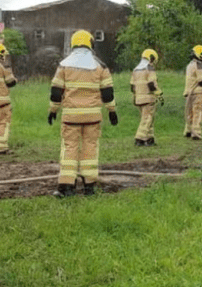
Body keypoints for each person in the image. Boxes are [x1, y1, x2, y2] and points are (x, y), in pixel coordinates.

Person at [48, 30, 118, 197]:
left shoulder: (64, 65)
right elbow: (107, 93)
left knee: (70, 149)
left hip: (71, 117)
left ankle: (66, 187)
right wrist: (112, 111)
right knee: (90, 149)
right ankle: (90, 187)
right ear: (90, 44)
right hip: (92, 117)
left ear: (73, 44)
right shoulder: (100, 66)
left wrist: (53, 110)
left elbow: (56, 92)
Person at [130, 48, 162, 146]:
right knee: (147, 119)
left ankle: (149, 139)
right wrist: (159, 93)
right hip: (148, 98)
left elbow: (132, 86)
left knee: (147, 119)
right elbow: (151, 84)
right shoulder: (149, 68)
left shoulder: (136, 69)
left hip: (138, 99)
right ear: (151, 58)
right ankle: (139, 138)